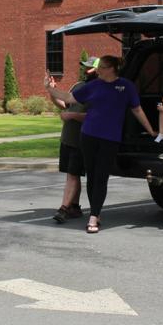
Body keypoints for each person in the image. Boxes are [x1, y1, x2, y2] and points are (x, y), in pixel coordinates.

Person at [45, 55, 156, 233]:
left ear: (112, 68)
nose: (98, 70)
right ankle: (94, 213)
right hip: (88, 136)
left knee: (101, 177)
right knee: (92, 176)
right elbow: (68, 97)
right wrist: (49, 88)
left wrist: (151, 131)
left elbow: (137, 109)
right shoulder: (93, 85)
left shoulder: (126, 86)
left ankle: (94, 216)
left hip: (110, 138)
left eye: (102, 67)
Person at [47, 56, 98, 223]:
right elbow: (64, 105)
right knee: (72, 175)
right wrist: (52, 90)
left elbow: (94, 117)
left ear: (99, 69)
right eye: (84, 66)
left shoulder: (99, 90)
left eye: (89, 67)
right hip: (68, 138)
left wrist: (72, 115)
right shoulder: (78, 86)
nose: (85, 69)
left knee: (73, 174)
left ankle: (64, 209)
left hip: (82, 139)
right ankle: (74, 206)